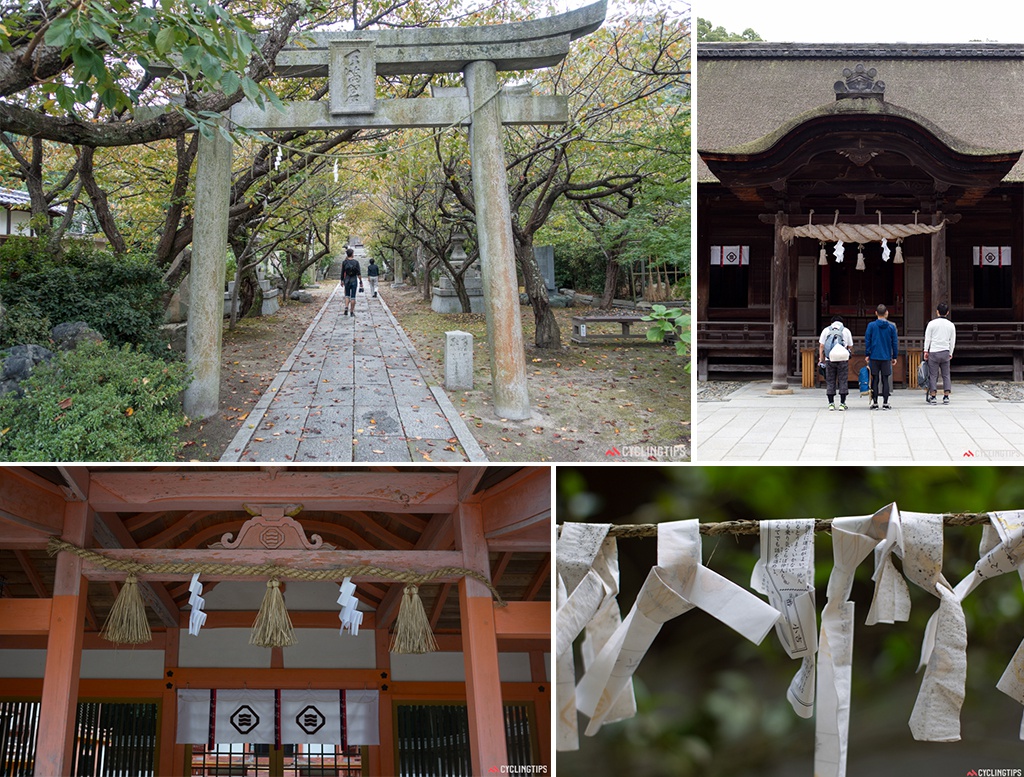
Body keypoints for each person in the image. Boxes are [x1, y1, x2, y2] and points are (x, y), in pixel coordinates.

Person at [863, 303, 899, 410]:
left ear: (876, 313)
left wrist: (867, 354)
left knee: (874, 379)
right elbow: (894, 342)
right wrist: (894, 356)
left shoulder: (871, 326)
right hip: (886, 356)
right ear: (886, 313)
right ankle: (886, 403)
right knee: (885, 379)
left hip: (874, 356)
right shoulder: (891, 327)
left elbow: (868, 340)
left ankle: (874, 402)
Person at [818, 315, 853, 411]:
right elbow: (850, 346)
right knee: (843, 380)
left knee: (830, 380)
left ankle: (831, 403)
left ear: (831, 322)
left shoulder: (826, 330)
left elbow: (821, 346)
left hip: (830, 359)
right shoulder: (846, 330)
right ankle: (842, 403)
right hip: (842, 360)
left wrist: (822, 359)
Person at [923, 302, 956, 405]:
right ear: (947, 312)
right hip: (945, 351)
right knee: (946, 374)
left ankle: (933, 396)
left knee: (933, 375)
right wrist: (951, 352)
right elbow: (952, 340)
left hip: (934, 351)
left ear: (937, 312)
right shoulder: (951, 325)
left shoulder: (932, 324)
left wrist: (925, 350)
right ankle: (946, 396)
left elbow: (928, 338)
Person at [340, 248, 362, 317]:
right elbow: (359, 273)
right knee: (353, 296)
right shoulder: (356, 262)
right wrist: (361, 281)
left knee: (347, 295)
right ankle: (351, 312)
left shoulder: (344, 262)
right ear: (352, 254)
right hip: (354, 279)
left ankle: (346, 307)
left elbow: (342, 272)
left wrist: (342, 280)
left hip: (347, 279)